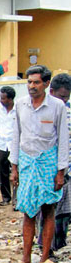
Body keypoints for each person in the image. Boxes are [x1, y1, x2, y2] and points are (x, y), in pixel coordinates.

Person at [11, 65, 69, 263]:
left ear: (46, 84)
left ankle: (44, 258)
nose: (32, 86)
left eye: (36, 82)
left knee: (48, 210)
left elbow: (63, 140)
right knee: (28, 211)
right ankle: (26, 258)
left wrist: (61, 172)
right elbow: (15, 135)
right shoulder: (20, 104)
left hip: (49, 162)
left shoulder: (57, 106)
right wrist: (14, 167)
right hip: (27, 162)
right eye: (29, 82)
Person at [48, 74, 71, 249]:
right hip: (49, 168)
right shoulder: (45, 112)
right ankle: (46, 246)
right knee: (49, 210)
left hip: (67, 168)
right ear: (52, 91)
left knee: (65, 210)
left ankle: (59, 245)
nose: (64, 100)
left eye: (67, 97)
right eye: (61, 96)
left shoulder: (68, 112)